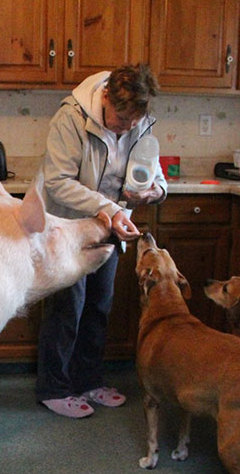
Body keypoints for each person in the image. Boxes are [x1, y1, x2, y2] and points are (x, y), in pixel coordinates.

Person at [36, 63, 167, 418]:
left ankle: (88, 381)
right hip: (68, 227)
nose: (126, 128)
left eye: (133, 123)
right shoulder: (71, 118)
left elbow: (153, 170)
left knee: (98, 307)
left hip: (111, 228)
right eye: (121, 120)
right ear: (106, 96)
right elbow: (57, 181)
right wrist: (110, 207)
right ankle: (55, 388)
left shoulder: (140, 122)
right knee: (68, 309)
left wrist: (156, 190)